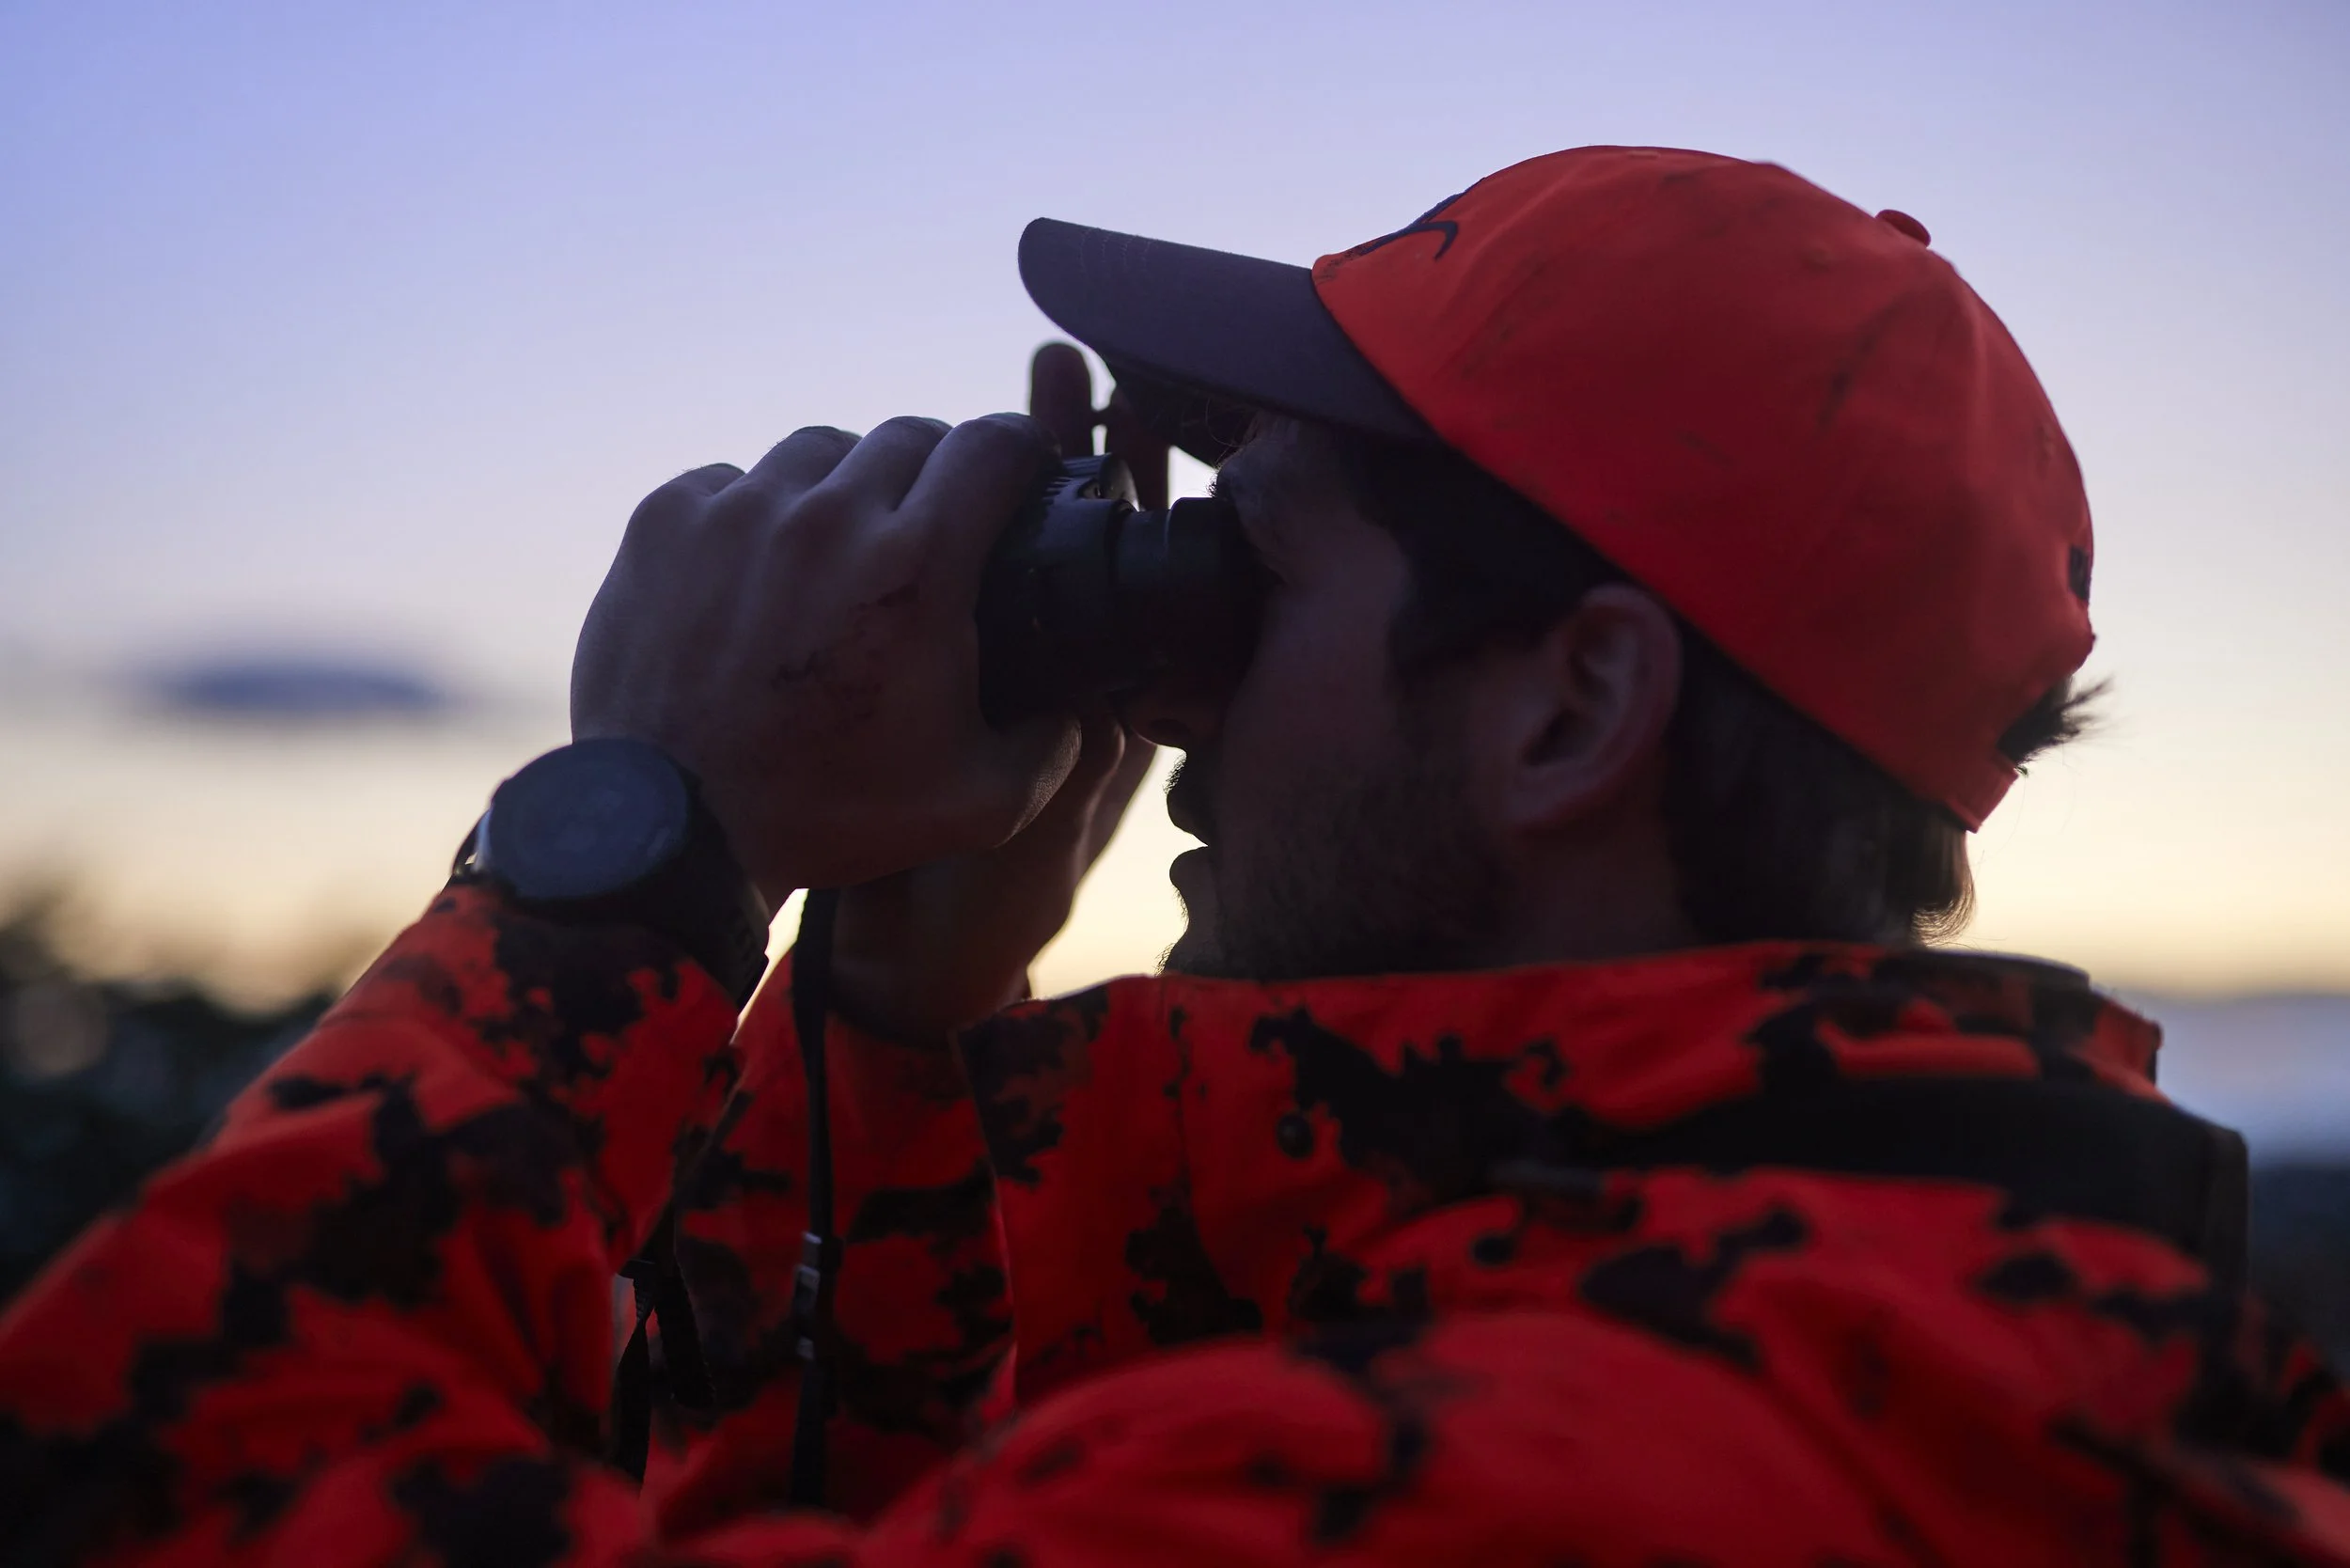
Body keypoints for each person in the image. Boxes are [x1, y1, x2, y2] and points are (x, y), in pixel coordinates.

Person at [3, 146, 2346, 1566]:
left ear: (1569, 709)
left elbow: (146, 1488)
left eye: (1254, 568)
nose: (1163, 673)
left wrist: (636, 858)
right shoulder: (1870, 1327)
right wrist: (898, 1037)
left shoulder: (1559, 1481)